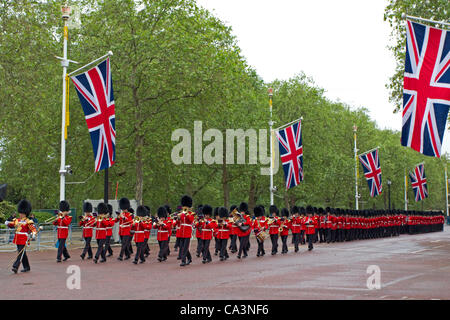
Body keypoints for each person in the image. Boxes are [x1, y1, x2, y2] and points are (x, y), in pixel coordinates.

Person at [5, 199, 37, 273]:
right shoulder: (17, 220)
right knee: (22, 253)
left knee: (20, 253)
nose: (20, 214)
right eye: (20, 213)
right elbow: (11, 224)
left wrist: (33, 234)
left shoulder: (28, 221)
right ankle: (27, 267)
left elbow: (33, 229)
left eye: (22, 213)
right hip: (17, 239)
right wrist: (7, 223)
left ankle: (15, 267)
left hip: (23, 239)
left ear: (25, 213)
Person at [177, 195, 195, 267]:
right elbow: (179, 220)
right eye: (184, 206)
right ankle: (189, 258)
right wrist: (179, 217)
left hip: (187, 232)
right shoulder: (182, 214)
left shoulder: (191, 214)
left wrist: (186, 214)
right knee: (182, 246)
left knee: (185, 247)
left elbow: (191, 220)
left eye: (186, 207)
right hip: (182, 232)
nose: (185, 208)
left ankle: (183, 261)